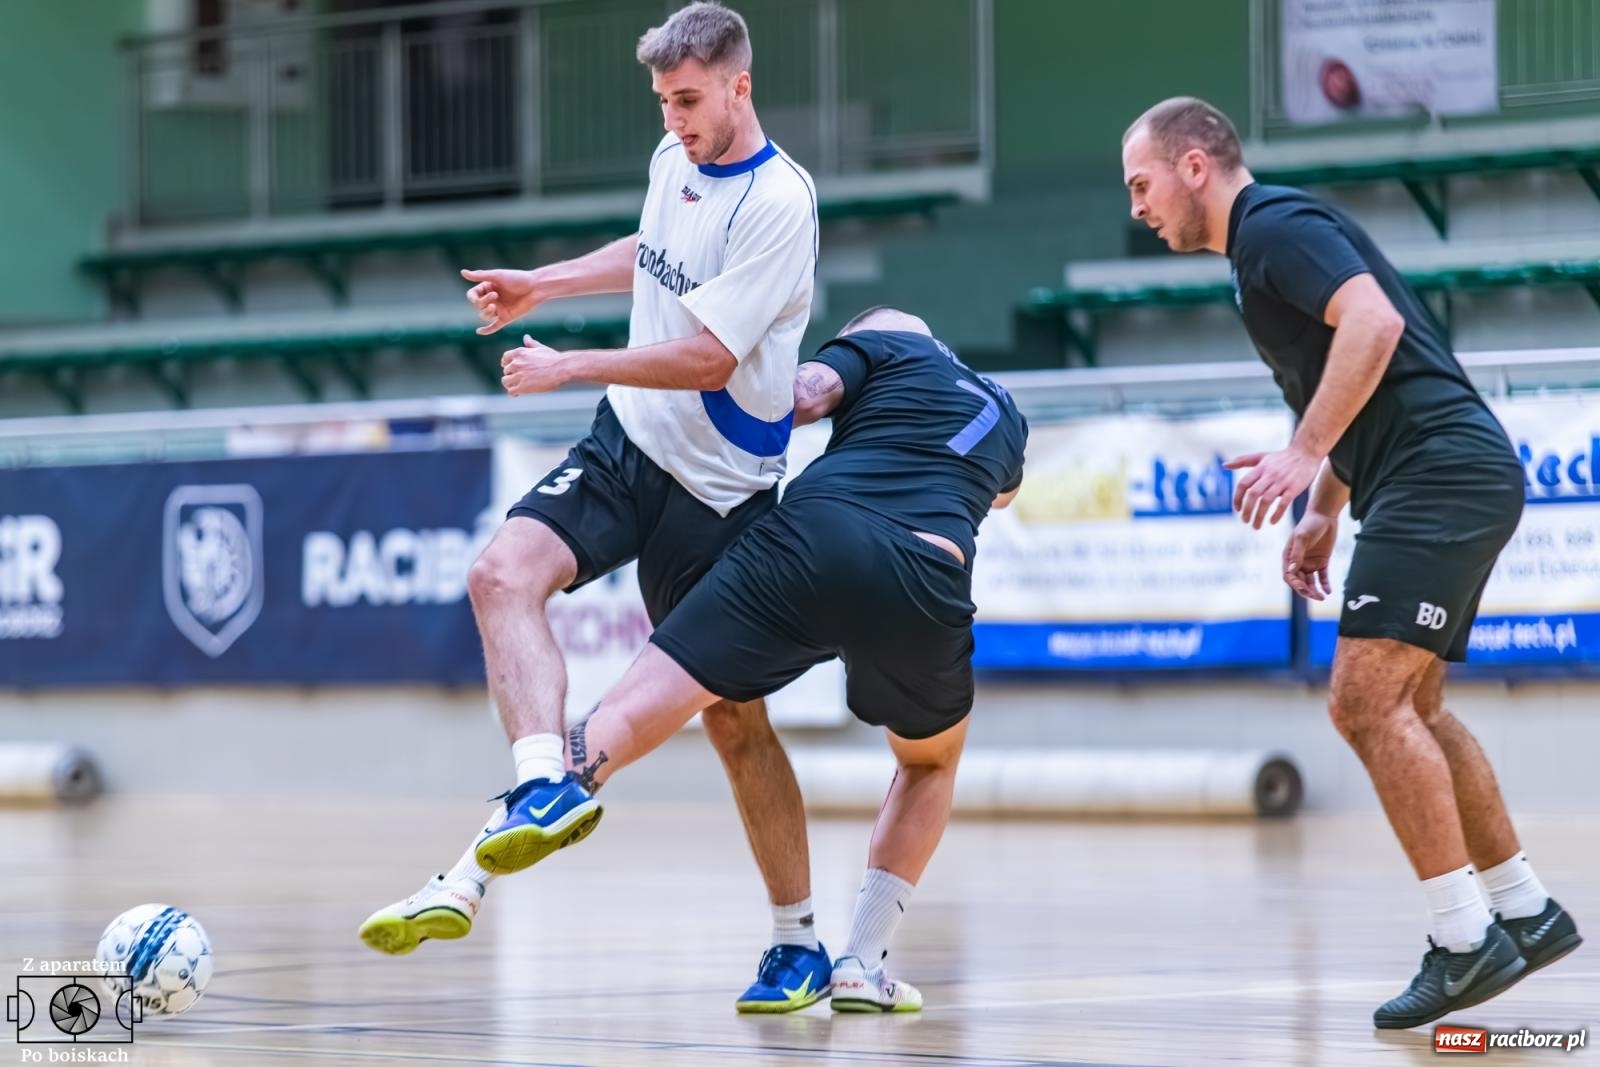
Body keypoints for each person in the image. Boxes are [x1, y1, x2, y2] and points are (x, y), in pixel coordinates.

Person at [360, 1, 834, 1013]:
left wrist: (571, 361)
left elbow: (709, 354)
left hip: (720, 498)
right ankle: (540, 781)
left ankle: (799, 942)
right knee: (500, 573)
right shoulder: (677, 157)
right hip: (629, 447)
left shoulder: (782, 204)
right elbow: (651, 247)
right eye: (663, 102)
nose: (674, 120)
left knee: (737, 723)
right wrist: (545, 282)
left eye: (691, 101)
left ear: (740, 87)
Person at [1120, 97, 1581, 1030]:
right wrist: (1324, 508)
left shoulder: (1274, 229)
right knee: (1411, 703)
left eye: (1142, 183)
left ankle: (1465, 940)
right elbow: (1357, 376)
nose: (1137, 206)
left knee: (1361, 699)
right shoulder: (1260, 255)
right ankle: (1524, 910)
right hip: (1439, 474)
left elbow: (1373, 326)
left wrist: (1301, 452)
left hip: (1440, 474)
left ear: (1196, 165)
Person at [523, 307, 1025, 1011]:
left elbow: (807, 392)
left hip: (814, 538)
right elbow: (1001, 492)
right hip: (927, 573)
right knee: (927, 762)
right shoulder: (1005, 410)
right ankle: (861, 961)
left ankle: (551, 786)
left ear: (872, 331)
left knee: (660, 688)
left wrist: (714, 392)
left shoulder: (875, 347)